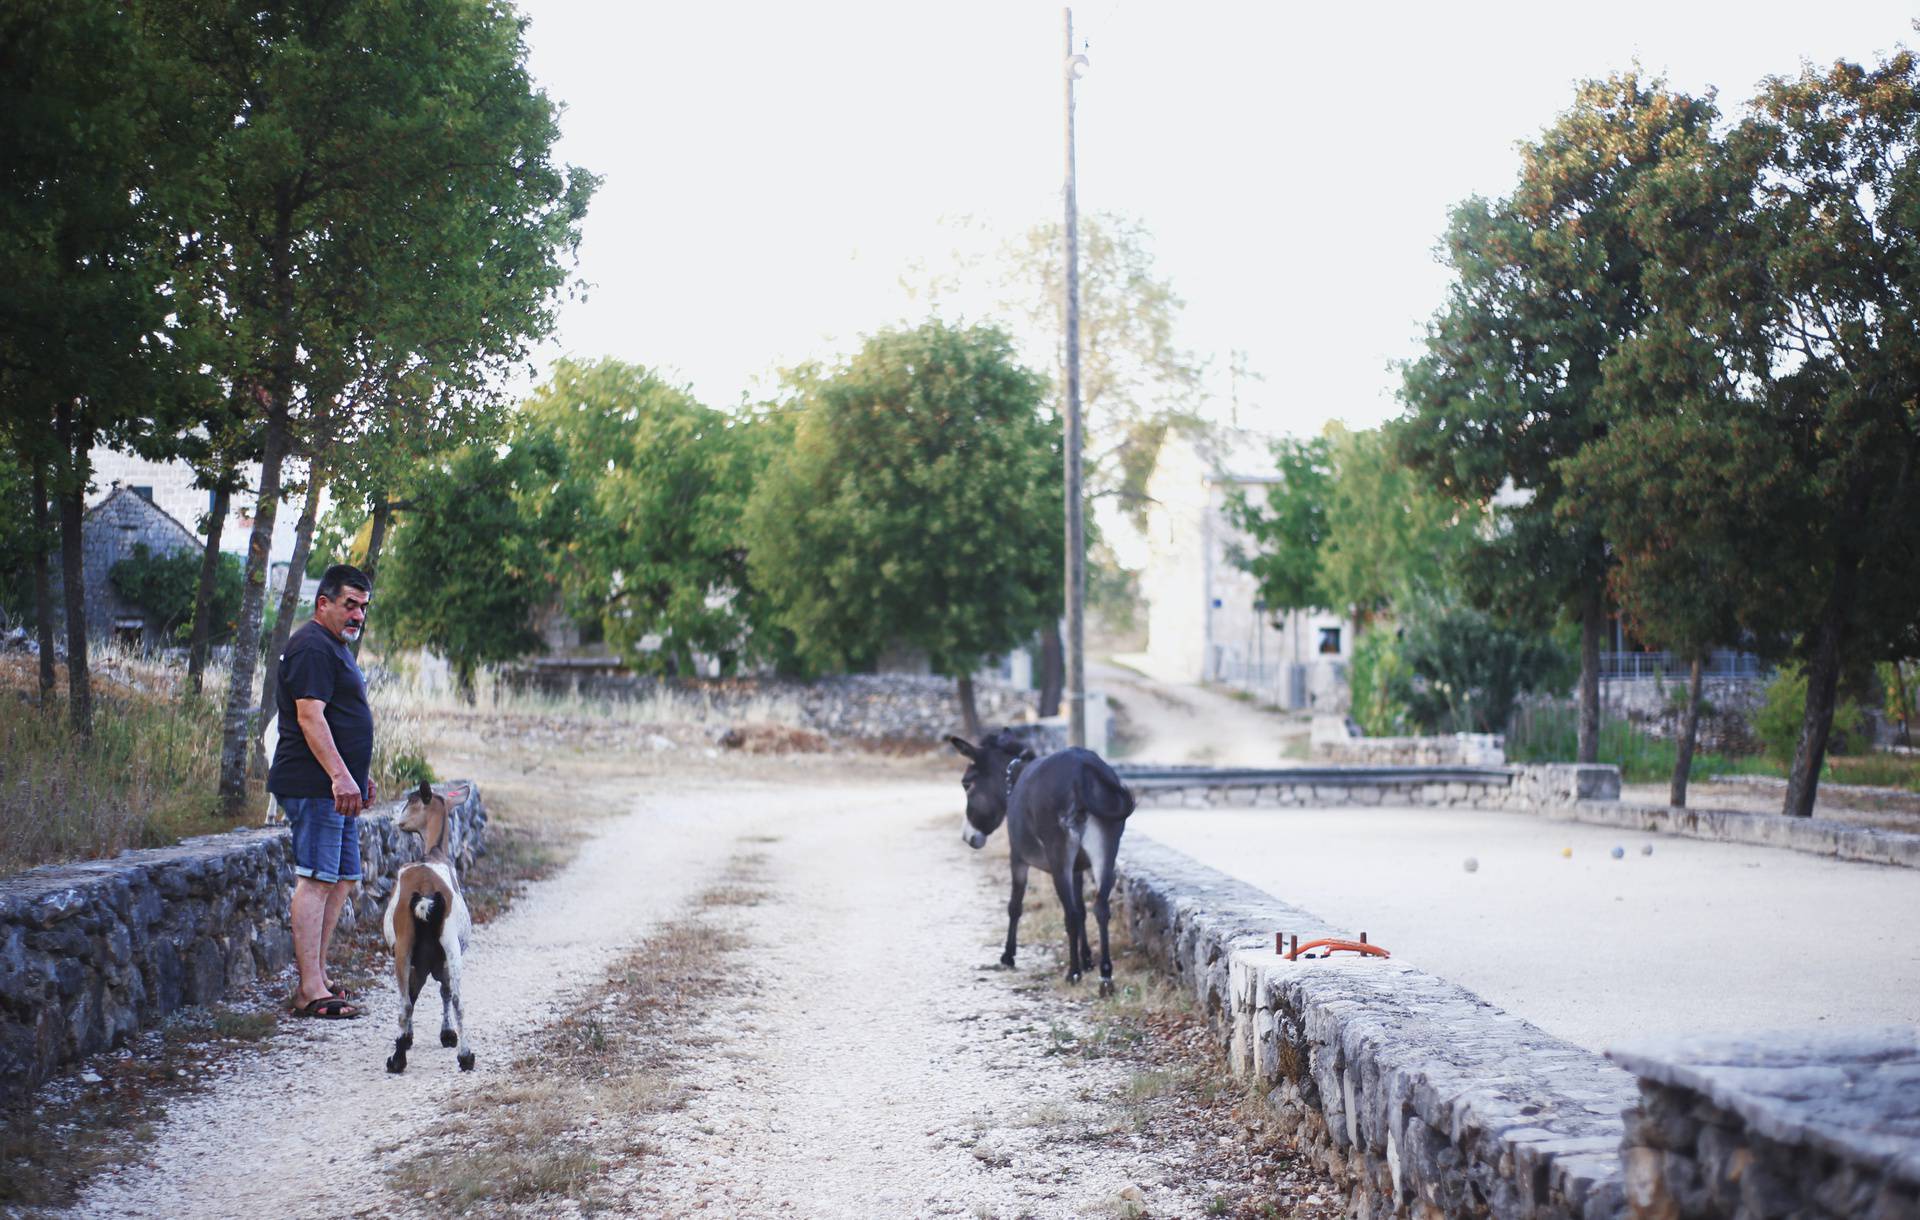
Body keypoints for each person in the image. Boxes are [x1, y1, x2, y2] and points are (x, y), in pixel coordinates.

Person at [267, 563, 376, 1019]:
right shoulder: (312, 645)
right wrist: (338, 775)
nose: (357, 616)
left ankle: (319, 975)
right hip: (315, 786)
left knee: (344, 876)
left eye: (363, 608)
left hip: (337, 787)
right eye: (349, 605)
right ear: (323, 603)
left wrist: (356, 773)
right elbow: (310, 718)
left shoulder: (333, 647)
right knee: (315, 881)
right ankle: (309, 989)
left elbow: (339, 716)